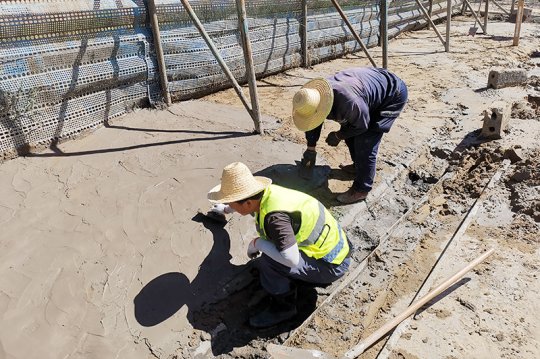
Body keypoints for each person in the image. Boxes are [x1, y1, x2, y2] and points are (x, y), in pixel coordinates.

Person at [208, 162, 351, 328]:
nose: (231, 205)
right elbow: (245, 203)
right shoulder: (268, 195)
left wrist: (258, 243)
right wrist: (226, 210)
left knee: (267, 261)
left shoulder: (275, 219)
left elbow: (291, 260)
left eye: (231, 203)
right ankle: (301, 278)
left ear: (246, 203)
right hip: (337, 249)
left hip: (331, 265)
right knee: (271, 249)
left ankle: (283, 308)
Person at [292, 67, 408, 204]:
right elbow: (313, 122)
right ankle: (357, 166)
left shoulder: (348, 102)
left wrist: (338, 135)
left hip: (392, 95)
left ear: (323, 106)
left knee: (365, 142)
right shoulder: (313, 97)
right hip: (365, 94)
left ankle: (361, 190)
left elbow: (361, 126)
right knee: (350, 133)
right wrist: (310, 149)